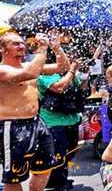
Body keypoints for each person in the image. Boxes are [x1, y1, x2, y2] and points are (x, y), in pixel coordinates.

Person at [0, 32, 68, 191]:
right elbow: (29, 74)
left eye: (21, 43)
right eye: (15, 44)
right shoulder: (2, 70)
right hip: (12, 126)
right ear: (3, 49)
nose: (21, 46)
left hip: (36, 123)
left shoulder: (30, 66)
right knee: (14, 176)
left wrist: (57, 49)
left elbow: (63, 67)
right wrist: (43, 49)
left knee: (44, 168)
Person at [38, 52, 91, 191]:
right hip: (53, 122)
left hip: (71, 120)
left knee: (69, 152)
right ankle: (55, 183)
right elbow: (59, 87)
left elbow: (82, 89)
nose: (69, 60)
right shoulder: (45, 72)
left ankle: (60, 178)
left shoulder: (69, 73)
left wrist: (85, 75)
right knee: (57, 155)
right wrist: (73, 70)